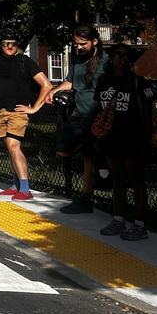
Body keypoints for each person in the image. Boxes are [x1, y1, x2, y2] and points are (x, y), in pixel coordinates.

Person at [94, 44, 156, 241]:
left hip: (132, 137)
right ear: (111, 59)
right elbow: (99, 108)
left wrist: (146, 141)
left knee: (136, 180)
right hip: (110, 138)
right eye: (118, 55)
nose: (122, 59)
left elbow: (147, 113)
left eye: (127, 56)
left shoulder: (138, 82)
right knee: (118, 179)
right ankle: (118, 218)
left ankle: (140, 224)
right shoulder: (104, 81)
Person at [38, 25, 102, 214]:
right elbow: (70, 81)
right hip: (79, 114)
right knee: (66, 150)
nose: (79, 47)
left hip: (99, 114)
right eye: (76, 44)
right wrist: (55, 90)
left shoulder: (105, 61)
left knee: (94, 157)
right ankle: (88, 192)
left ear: (94, 41)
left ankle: (88, 196)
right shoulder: (77, 60)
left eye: (83, 43)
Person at [0, 34, 50, 200]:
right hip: (0, 111)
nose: (9, 47)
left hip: (18, 111)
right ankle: (16, 185)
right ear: (0, 45)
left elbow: (46, 85)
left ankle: (25, 189)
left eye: (13, 44)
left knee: (14, 146)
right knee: (10, 147)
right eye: (6, 44)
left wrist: (34, 108)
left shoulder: (24, 61)